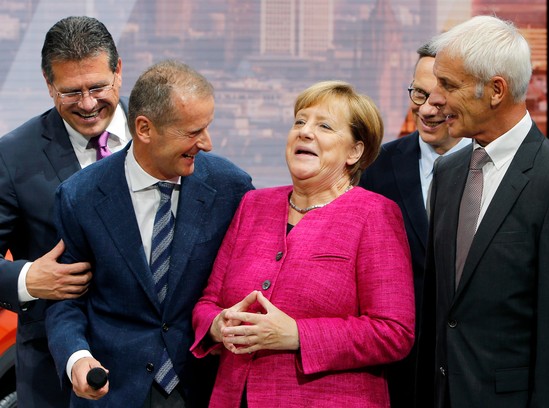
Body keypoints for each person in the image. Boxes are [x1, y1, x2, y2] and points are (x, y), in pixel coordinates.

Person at [191, 80, 415, 407]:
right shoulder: (253, 205)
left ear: (355, 151)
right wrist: (218, 324)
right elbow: (207, 303)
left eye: (323, 126)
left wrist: (297, 335)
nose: (305, 132)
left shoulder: (375, 214)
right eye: (299, 121)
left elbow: (393, 332)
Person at [45, 60, 253, 407]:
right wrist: (77, 358)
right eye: (192, 132)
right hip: (113, 391)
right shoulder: (79, 196)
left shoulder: (231, 187)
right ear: (144, 128)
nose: (207, 143)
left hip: (201, 387)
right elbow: (66, 298)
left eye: (207, 127)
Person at [416, 15, 549, 408]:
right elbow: (438, 312)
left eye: (449, 85)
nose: (435, 99)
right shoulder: (448, 172)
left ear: (495, 90)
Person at [0, 16, 130, 407]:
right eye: (71, 92)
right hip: (52, 376)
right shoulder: (12, 155)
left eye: (97, 87)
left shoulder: (158, 133)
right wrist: (26, 279)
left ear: (118, 70)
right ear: (48, 84)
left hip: (155, 373)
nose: (88, 104)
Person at [359, 42, 470, 408]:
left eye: (438, 100)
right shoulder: (375, 168)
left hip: (472, 372)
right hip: (394, 375)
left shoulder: (497, 172)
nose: (425, 109)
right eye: (418, 93)